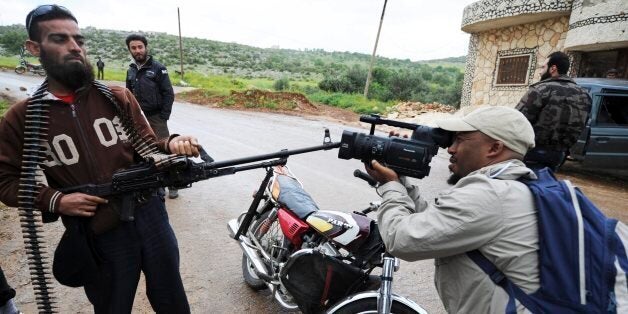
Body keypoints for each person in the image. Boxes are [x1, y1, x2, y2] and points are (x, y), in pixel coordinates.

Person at [0, 5, 198, 313]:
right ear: (33, 48)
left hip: (150, 216)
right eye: (60, 39)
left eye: (79, 39)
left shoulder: (116, 97)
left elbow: (148, 144)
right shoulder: (23, 117)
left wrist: (172, 144)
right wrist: (55, 200)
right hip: (98, 231)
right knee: (111, 305)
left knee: (172, 299)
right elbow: (5, 180)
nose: (75, 47)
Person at [365, 106, 539, 313]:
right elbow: (440, 223)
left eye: (460, 140)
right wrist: (400, 180)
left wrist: (390, 186)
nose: (451, 149)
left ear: (494, 148)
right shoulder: (511, 185)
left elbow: (401, 239)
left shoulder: (491, 195)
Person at [515, 51, 591, 171]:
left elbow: (518, 120)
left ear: (553, 68)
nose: (540, 71)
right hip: (559, 155)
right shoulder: (585, 95)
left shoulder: (541, 89)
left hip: (533, 152)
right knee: (544, 183)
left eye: (543, 67)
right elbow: (582, 124)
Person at [125, 34, 179, 199]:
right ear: (130, 50)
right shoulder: (131, 70)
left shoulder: (158, 68)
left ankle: (173, 185)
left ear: (146, 47)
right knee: (142, 151)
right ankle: (151, 184)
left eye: (140, 47)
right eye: (133, 48)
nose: (137, 50)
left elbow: (168, 93)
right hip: (138, 118)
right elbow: (128, 95)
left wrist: (163, 116)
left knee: (164, 150)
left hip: (156, 117)